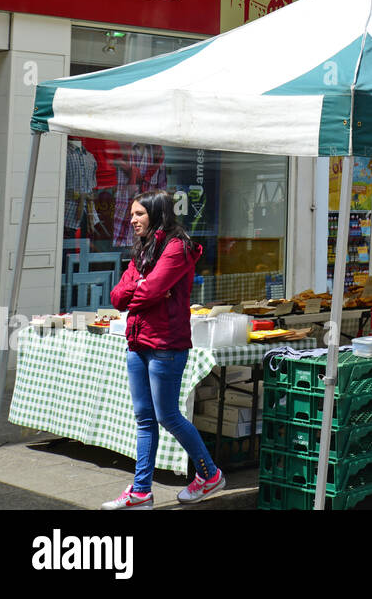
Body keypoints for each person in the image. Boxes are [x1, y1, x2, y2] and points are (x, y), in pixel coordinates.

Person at [102, 190, 223, 509]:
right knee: (144, 418)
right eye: (132, 214)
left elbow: (153, 289)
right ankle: (141, 492)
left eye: (139, 213)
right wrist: (139, 287)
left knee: (168, 415)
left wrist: (143, 290)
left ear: (156, 214)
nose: (132, 219)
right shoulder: (142, 248)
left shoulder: (177, 247)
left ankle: (209, 474)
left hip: (166, 344)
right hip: (137, 342)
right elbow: (117, 297)